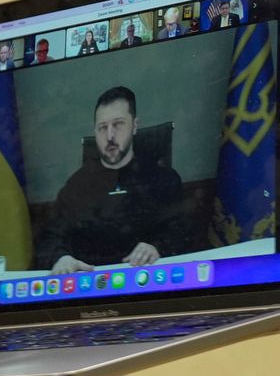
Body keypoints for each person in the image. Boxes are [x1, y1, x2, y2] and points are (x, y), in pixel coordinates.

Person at [37, 85, 190, 270]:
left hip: (146, 281)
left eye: (118, 125)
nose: (110, 136)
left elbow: (182, 230)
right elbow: (50, 237)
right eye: (102, 127)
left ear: (134, 126)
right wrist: (60, 258)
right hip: (90, 285)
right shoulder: (76, 187)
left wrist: (158, 247)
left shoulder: (163, 179)